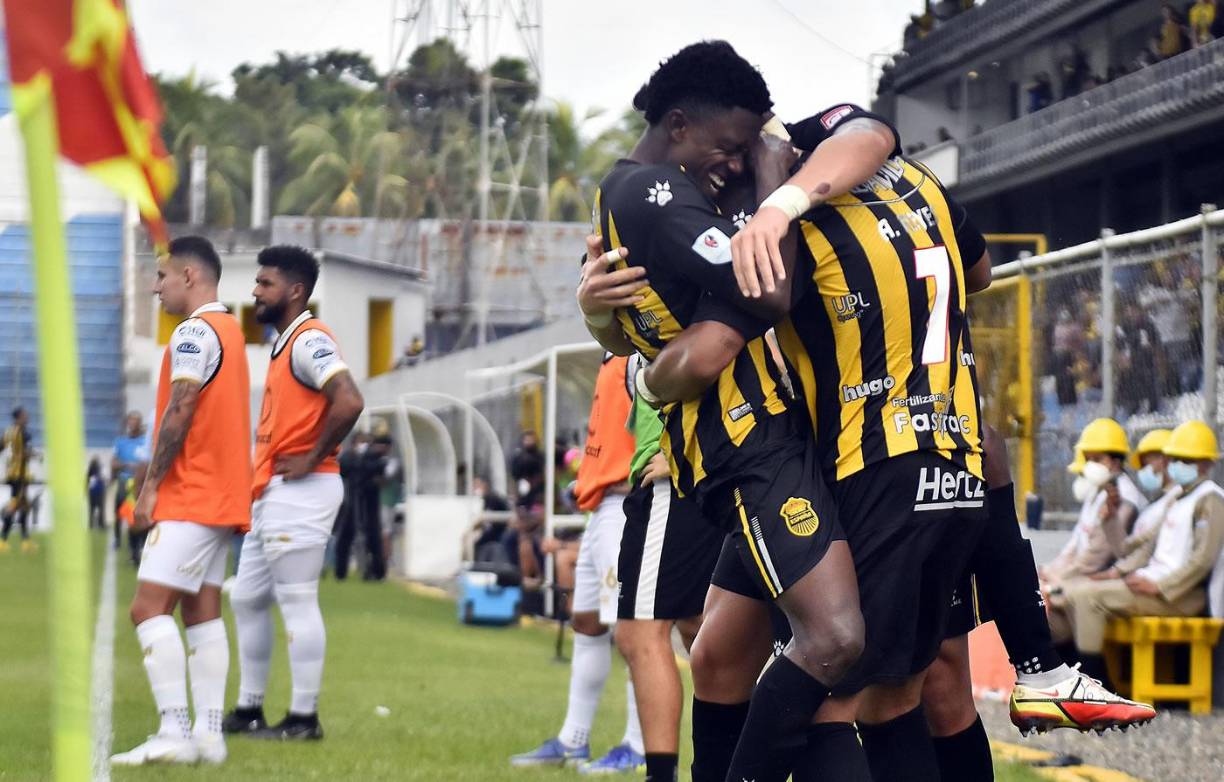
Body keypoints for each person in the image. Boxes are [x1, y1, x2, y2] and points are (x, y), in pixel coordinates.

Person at [580, 43, 904, 781]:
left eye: (744, 149)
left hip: (776, 440)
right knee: (836, 640)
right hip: (746, 447)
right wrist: (769, 185)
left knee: (721, 660)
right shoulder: (648, 192)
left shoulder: (667, 188)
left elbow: (874, 129)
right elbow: (768, 291)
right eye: (726, 147)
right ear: (679, 124)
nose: (732, 162)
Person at [111, 236, 252, 766]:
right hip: (224, 494)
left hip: (193, 493)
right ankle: (209, 738)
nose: (155, 286)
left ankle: (174, 729)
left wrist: (149, 485)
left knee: (147, 608)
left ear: (190, 277)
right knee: (201, 613)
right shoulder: (231, 330)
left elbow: (180, 408)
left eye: (162, 276)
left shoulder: (194, 331)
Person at [225, 245, 363, 741]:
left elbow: (349, 400)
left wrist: (311, 455)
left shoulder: (309, 339)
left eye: (265, 284)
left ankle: (304, 718)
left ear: (296, 291)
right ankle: (249, 709)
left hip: (303, 487)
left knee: (298, 600)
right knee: (247, 597)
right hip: (275, 489)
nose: (256, 292)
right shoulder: (286, 343)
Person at [511, 354, 646, 774]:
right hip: (599, 508)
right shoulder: (613, 354)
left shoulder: (641, 352)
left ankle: (638, 745)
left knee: (634, 630)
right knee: (586, 621)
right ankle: (573, 740)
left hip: (625, 505)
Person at [614, 364, 724, 782]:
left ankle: (661, 777)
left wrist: (684, 454)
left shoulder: (679, 305)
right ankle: (725, 767)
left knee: (639, 634)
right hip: (696, 483)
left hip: (674, 489)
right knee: (706, 633)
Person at [1050, 421, 1224, 676]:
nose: (1178, 465)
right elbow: (1135, 548)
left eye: (1188, 460)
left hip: (1182, 595)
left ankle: (1096, 682)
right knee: (1076, 595)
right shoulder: (1176, 500)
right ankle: (1073, 677)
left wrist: (1161, 586)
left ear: (1207, 463)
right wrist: (1110, 521)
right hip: (1155, 586)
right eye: (1176, 458)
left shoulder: (1211, 499)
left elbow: (1203, 560)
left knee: (1087, 597)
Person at [1041, 419, 1147, 590]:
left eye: (1097, 459)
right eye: (1088, 459)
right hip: (1082, 577)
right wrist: (1051, 571)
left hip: (1104, 581)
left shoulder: (1124, 498)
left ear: (1116, 461)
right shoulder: (1098, 491)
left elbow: (1099, 556)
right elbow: (1075, 543)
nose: (1090, 466)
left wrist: (1059, 580)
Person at [333, 432, 387, 581]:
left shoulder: (374, 458)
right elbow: (343, 468)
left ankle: (375, 571)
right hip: (352, 503)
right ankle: (341, 572)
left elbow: (379, 471)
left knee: (372, 539)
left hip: (369, 505)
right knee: (345, 538)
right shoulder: (349, 457)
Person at [112, 411, 152, 562]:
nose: (132, 424)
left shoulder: (144, 442)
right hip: (124, 481)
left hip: (140, 483)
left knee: (136, 515)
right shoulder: (120, 442)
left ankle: (138, 548)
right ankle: (119, 540)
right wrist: (127, 465)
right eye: (130, 421)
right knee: (121, 512)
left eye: (135, 421)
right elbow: (114, 463)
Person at [1, 407, 35, 551]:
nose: (27, 417)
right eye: (25, 415)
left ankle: (25, 541)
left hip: (12, 473)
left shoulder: (8, 432)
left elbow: (1, 447)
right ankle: (2, 540)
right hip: (20, 474)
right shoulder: (24, 433)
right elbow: (26, 453)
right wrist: (35, 455)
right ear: (19, 417)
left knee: (24, 506)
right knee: (15, 505)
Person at [87, 457, 106, 531]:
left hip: (93, 492)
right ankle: (100, 525)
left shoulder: (91, 471)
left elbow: (88, 482)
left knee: (92, 510)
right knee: (100, 509)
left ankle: (92, 525)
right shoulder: (98, 470)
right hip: (99, 492)